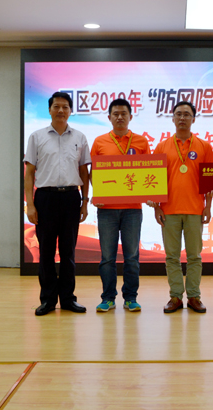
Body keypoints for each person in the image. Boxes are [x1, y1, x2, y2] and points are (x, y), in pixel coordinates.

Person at [24, 92, 90, 316]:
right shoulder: (36, 137)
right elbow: (29, 172)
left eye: (65, 107)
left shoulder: (79, 137)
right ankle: (48, 300)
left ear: (70, 111)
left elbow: (84, 172)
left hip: (71, 198)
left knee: (68, 252)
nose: (61, 110)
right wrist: (30, 204)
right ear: (49, 110)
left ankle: (69, 299)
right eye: (56, 106)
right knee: (46, 252)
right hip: (45, 198)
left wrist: (84, 202)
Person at [152, 101, 213, 313]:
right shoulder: (162, 147)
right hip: (168, 211)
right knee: (172, 257)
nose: (182, 118)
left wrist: (208, 207)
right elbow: (155, 180)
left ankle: (194, 296)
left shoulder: (204, 147)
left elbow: (210, 181)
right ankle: (176, 296)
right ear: (172, 118)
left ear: (193, 119)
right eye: (178, 114)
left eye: (187, 114)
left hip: (195, 210)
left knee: (194, 256)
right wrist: (156, 207)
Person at [90, 98, 151, 312]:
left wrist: (151, 195)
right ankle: (108, 298)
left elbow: (148, 171)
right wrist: (97, 193)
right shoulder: (99, 142)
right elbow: (93, 173)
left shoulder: (141, 142)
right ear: (109, 117)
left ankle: (130, 298)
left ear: (130, 116)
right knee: (107, 257)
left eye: (123, 113)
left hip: (133, 209)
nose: (119, 117)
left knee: (131, 257)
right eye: (115, 114)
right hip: (106, 209)